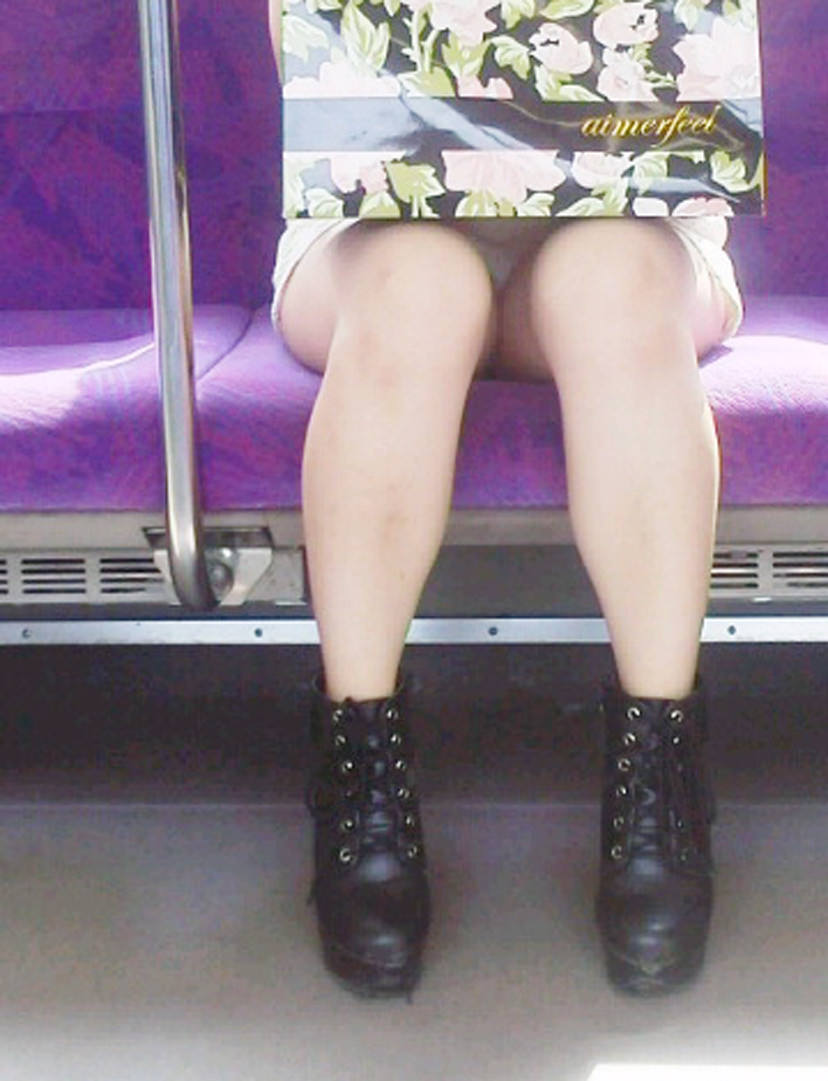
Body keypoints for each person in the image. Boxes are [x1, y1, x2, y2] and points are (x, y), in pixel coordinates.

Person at [268, 2, 743, 998]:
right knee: (417, 288)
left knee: (612, 280)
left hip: (635, 209)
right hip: (375, 219)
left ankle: (658, 774)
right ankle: (361, 770)